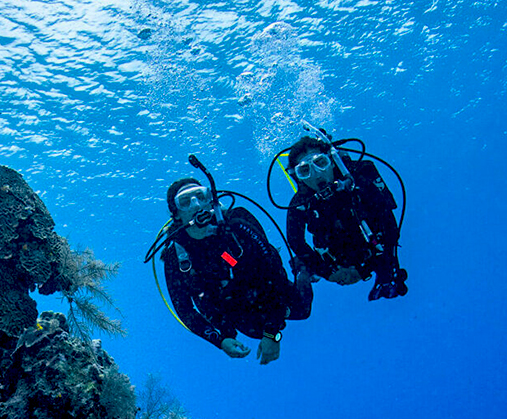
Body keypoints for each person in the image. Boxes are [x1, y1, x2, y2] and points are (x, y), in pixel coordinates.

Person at [159, 177, 312, 364]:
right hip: (230, 306)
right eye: (185, 202)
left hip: (265, 287)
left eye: (201, 196)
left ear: (210, 199)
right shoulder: (175, 256)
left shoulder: (237, 224)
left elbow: (273, 271)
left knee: (302, 310)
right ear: (175, 213)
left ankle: (302, 268)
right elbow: (183, 309)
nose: (196, 205)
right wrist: (220, 341)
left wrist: (273, 334)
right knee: (255, 332)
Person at [284, 136, 407, 301]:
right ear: (299, 177)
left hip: (370, 248)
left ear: (332, 162)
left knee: (386, 269)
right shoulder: (300, 203)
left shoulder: (359, 183)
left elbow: (389, 225)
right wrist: (328, 273)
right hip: (332, 258)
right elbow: (295, 241)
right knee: (300, 265)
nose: (316, 175)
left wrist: (366, 269)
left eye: (320, 163)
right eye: (305, 171)